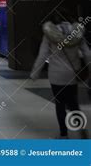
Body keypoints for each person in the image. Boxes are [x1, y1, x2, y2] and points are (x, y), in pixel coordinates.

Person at [30, 9, 90, 139]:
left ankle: (64, 134)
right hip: (72, 75)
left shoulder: (49, 34)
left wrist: (35, 73)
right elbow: (87, 53)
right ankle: (81, 129)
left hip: (56, 75)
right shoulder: (77, 33)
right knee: (74, 103)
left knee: (60, 104)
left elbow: (42, 55)